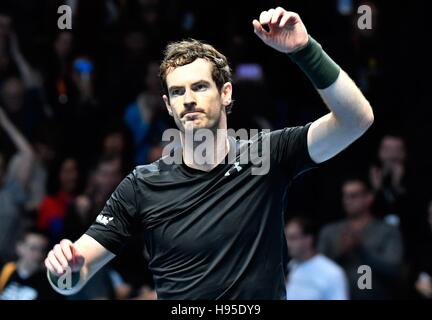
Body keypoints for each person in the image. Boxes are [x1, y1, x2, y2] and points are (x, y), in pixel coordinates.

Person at [44, 7, 374, 299]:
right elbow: (73, 275)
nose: (188, 98)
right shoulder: (140, 186)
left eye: (200, 86)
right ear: (168, 106)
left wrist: (305, 51)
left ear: (226, 93)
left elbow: (355, 120)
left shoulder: (267, 155)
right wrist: (62, 270)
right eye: (177, 92)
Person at [318, 177, 403, 299]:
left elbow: (394, 269)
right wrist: (341, 253)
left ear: (369, 198)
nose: (347, 200)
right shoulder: (330, 231)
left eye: (353, 196)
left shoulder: (386, 230)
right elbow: (317, 269)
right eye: (345, 196)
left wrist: (361, 250)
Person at [284, 217, 348, 300]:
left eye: (293, 238)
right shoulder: (289, 267)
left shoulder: (332, 273)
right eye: (286, 238)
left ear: (308, 239)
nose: (288, 244)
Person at [0, 229, 62, 300]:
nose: (38, 255)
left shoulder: (48, 284)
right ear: (19, 247)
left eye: (42, 250)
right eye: (33, 248)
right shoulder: (4, 269)